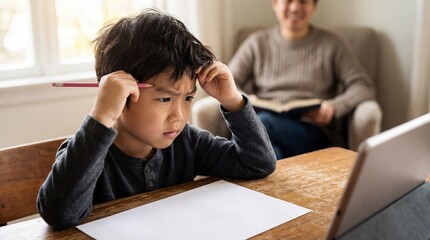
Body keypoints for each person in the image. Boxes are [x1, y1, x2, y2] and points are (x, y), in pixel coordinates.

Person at [36, 9, 276, 229]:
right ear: (122, 94)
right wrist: (102, 115)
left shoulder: (187, 142)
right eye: (164, 99)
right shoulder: (85, 152)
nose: (180, 116)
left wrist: (233, 100)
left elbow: (259, 163)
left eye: (188, 98)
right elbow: (59, 214)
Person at [226, 0, 375, 159]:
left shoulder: (332, 44)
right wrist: (245, 99)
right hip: (267, 126)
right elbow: (228, 81)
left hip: (312, 131)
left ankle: (229, 173)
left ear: (314, 6)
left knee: (262, 125)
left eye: (303, 1)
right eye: (288, 1)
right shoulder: (256, 43)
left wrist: (334, 107)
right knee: (272, 154)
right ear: (275, 4)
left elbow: (363, 86)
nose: (295, 8)